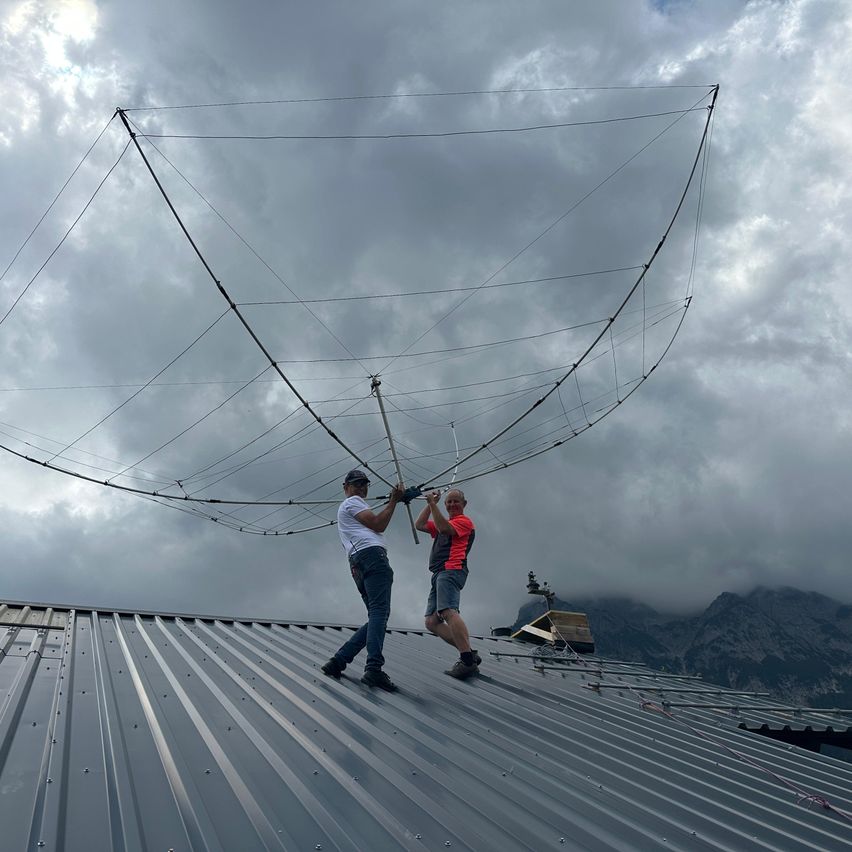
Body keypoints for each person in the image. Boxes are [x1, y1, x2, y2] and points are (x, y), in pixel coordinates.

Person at [321, 469, 404, 691]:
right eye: (357, 484)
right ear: (346, 487)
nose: (362, 488)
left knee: (377, 616)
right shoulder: (352, 502)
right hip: (372, 557)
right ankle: (373, 669)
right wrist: (394, 501)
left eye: (365, 484)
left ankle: (339, 661)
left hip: (358, 563)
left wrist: (395, 500)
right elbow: (378, 524)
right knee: (380, 613)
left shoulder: (352, 507)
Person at [415, 488, 479, 679]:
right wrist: (431, 505)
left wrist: (433, 505)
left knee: (448, 611)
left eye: (456, 501)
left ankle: (467, 661)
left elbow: (444, 529)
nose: (452, 505)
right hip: (439, 573)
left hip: (451, 570)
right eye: (449, 502)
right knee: (431, 621)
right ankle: (469, 653)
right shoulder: (444, 522)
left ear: (464, 504)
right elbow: (419, 524)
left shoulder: (464, 522)